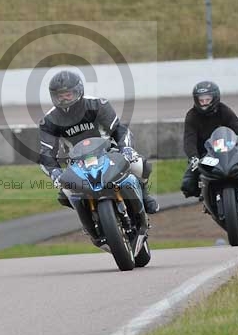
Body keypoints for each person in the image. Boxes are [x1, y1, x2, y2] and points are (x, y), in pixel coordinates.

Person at [38, 70, 160, 224]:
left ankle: (144, 195)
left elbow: (119, 130)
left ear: (78, 90)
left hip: (107, 153)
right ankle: (89, 224)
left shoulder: (97, 104)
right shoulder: (49, 121)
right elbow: (45, 153)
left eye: (68, 94)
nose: (64, 99)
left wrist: (126, 148)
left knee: (138, 164)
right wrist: (55, 173)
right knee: (66, 191)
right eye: (59, 96)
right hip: (76, 164)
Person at [180, 81, 238, 208]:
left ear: (215, 98)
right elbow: (189, 140)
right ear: (196, 100)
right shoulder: (191, 115)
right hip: (206, 154)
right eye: (201, 100)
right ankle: (206, 195)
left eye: (207, 99)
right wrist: (193, 157)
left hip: (229, 148)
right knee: (187, 185)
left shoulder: (223, 110)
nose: (204, 103)